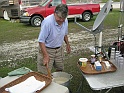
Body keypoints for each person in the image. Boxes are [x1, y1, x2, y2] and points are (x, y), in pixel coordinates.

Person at [37, 4, 71, 75]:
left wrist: (68, 44)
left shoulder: (65, 20)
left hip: (59, 49)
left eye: (63, 18)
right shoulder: (47, 22)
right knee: (44, 73)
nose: (61, 20)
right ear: (54, 13)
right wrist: (45, 55)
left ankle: (57, 84)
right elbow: (41, 41)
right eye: (59, 17)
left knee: (60, 68)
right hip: (47, 50)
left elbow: (64, 34)